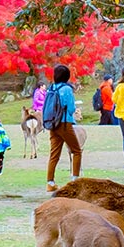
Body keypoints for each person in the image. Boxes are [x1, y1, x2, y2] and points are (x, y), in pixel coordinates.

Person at [44, 63, 83, 191]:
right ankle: (75, 181)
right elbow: (71, 108)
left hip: (52, 123)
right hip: (64, 123)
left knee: (54, 154)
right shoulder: (66, 89)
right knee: (76, 151)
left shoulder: (52, 88)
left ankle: (50, 183)